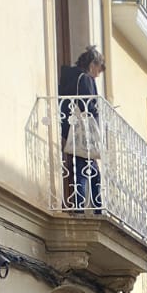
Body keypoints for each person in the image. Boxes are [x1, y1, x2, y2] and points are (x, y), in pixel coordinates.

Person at [61, 46, 105, 211]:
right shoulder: (85, 79)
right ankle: (85, 208)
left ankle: (89, 207)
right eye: (98, 70)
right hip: (83, 132)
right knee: (85, 171)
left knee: (88, 171)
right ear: (92, 65)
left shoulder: (70, 77)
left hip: (71, 129)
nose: (97, 75)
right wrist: (97, 113)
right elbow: (88, 107)